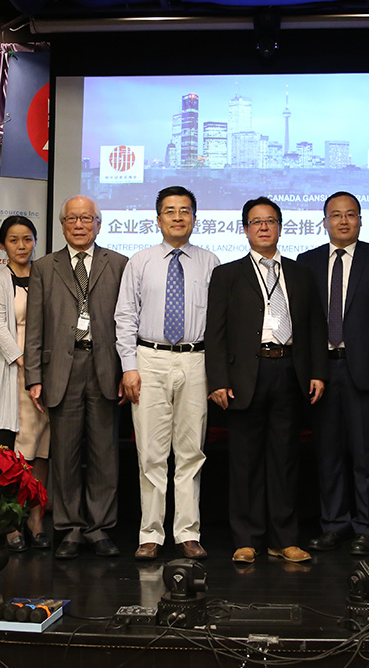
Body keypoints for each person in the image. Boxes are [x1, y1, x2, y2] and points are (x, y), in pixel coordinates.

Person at [207, 196, 328, 565]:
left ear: (280, 227)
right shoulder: (227, 274)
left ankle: (284, 539)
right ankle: (246, 539)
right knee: (244, 461)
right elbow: (216, 332)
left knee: (285, 460)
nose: (263, 227)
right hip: (246, 374)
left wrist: (318, 372)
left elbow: (314, 327)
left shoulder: (300, 274)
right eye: (256, 222)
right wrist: (217, 380)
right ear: (245, 229)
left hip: (289, 371)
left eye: (270, 221)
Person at [115, 186, 220, 561]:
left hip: (195, 359)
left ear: (195, 218)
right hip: (150, 359)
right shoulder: (140, 261)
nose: (178, 217)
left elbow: (219, 322)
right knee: (151, 453)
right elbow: (125, 317)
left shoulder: (210, 262)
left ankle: (188, 533)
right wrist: (129, 367)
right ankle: (150, 535)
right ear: (158, 219)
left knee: (191, 452)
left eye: (185, 211)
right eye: (170, 211)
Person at [24, 195, 128, 559]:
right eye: (72, 219)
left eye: (86, 218)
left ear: (98, 224)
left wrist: (126, 370)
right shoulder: (44, 267)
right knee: (65, 455)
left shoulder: (119, 264)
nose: (79, 225)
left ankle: (98, 528)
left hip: (104, 368)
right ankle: (69, 528)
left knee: (104, 454)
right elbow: (34, 326)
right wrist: (34, 376)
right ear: (63, 224)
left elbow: (126, 323)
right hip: (60, 371)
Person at [297, 191, 369, 555]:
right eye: (336, 215)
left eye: (351, 214)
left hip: (364, 368)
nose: (344, 221)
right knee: (328, 454)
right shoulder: (307, 262)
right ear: (325, 221)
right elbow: (304, 322)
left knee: (366, 455)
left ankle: (367, 527)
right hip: (323, 371)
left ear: (361, 220)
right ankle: (334, 524)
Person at [0, 215, 50, 551]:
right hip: (14, 372)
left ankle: (36, 520)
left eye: (27, 239)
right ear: (2, 245)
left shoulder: (45, 274)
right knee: (11, 452)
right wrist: (26, 364)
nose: (21, 246)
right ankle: (10, 523)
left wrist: (43, 369)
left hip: (45, 375)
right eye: (13, 240)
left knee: (43, 450)